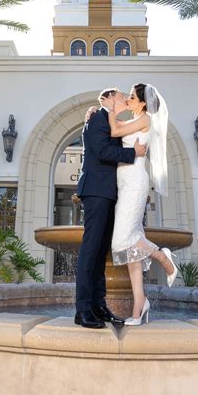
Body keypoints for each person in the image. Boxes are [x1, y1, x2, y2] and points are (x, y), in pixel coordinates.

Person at [74, 87, 148, 329]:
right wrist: (133, 152)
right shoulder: (97, 118)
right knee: (90, 251)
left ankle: (98, 306)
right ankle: (83, 309)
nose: (124, 99)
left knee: (100, 253)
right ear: (107, 99)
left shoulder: (108, 119)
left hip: (110, 193)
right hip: (96, 191)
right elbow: (103, 151)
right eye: (119, 95)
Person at [108, 83, 178, 325]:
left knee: (121, 239)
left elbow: (115, 132)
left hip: (136, 182)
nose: (128, 99)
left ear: (142, 102)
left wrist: (110, 110)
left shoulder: (144, 119)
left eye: (131, 96)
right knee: (131, 249)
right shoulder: (136, 117)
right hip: (124, 183)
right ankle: (139, 305)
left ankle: (163, 258)